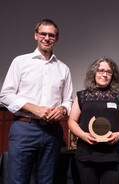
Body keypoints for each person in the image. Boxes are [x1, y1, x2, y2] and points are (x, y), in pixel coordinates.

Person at [0, 19, 73, 184]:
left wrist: (62, 109)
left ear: (57, 38)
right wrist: (34, 108)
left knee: (47, 181)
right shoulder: (20, 62)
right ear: (36, 35)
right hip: (24, 128)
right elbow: (5, 95)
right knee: (17, 180)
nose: (47, 38)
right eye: (43, 34)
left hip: (52, 132)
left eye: (51, 35)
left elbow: (68, 100)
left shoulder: (63, 68)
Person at [68, 57, 119, 184]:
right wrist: (83, 135)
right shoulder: (82, 95)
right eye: (101, 71)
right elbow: (72, 121)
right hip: (87, 153)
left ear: (113, 75)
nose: (104, 74)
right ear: (94, 72)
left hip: (112, 154)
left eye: (109, 72)